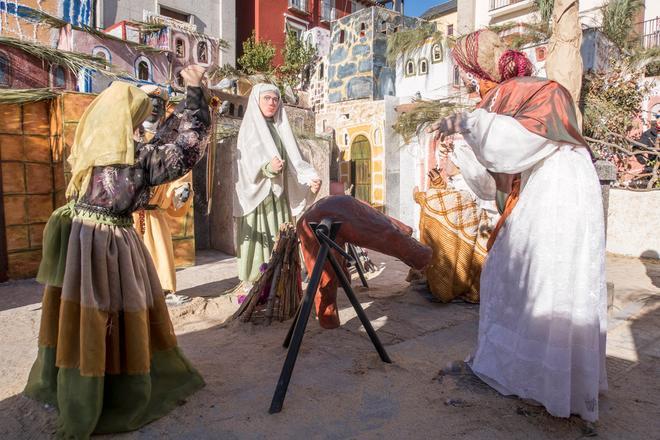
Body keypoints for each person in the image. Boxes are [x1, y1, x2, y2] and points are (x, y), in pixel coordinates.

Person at [428, 30, 607, 422]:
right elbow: (492, 169)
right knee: (538, 278)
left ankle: (541, 380)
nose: (471, 82)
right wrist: (462, 146)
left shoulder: (533, 91)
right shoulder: (513, 98)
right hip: (555, 187)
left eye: (469, 72)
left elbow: (511, 147)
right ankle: (545, 377)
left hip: (554, 191)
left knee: (541, 279)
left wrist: (466, 124)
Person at [24, 65, 210, 439]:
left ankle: (77, 385)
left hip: (80, 242)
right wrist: (194, 90)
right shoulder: (136, 161)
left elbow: (158, 144)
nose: (143, 125)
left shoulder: (90, 152)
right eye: (139, 118)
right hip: (111, 246)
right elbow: (186, 148)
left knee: (85, 317)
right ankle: (115, 392)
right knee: (117, 316)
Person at [233, 84, 321, 290]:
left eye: (275, 99)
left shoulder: (281, 128)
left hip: (278, 196)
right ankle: (256, 282)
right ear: (257, 100)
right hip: (259, 197)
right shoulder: (249, 130)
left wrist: (309, 181)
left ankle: (281, 282)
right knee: (261, 241)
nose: (272, 103)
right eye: (267, 98)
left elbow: (294, 163)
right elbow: (245, 163)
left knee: (281, 237)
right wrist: (267, 168)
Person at [134, 85, 194, 306]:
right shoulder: (129, 134)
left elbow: (178, 170)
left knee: (160, 252)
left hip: (155, 210)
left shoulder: (169, 138)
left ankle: (165, 292)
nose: (155, 108)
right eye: (151, 102)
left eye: (160, 104)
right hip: (131, 211)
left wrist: (181, 189)